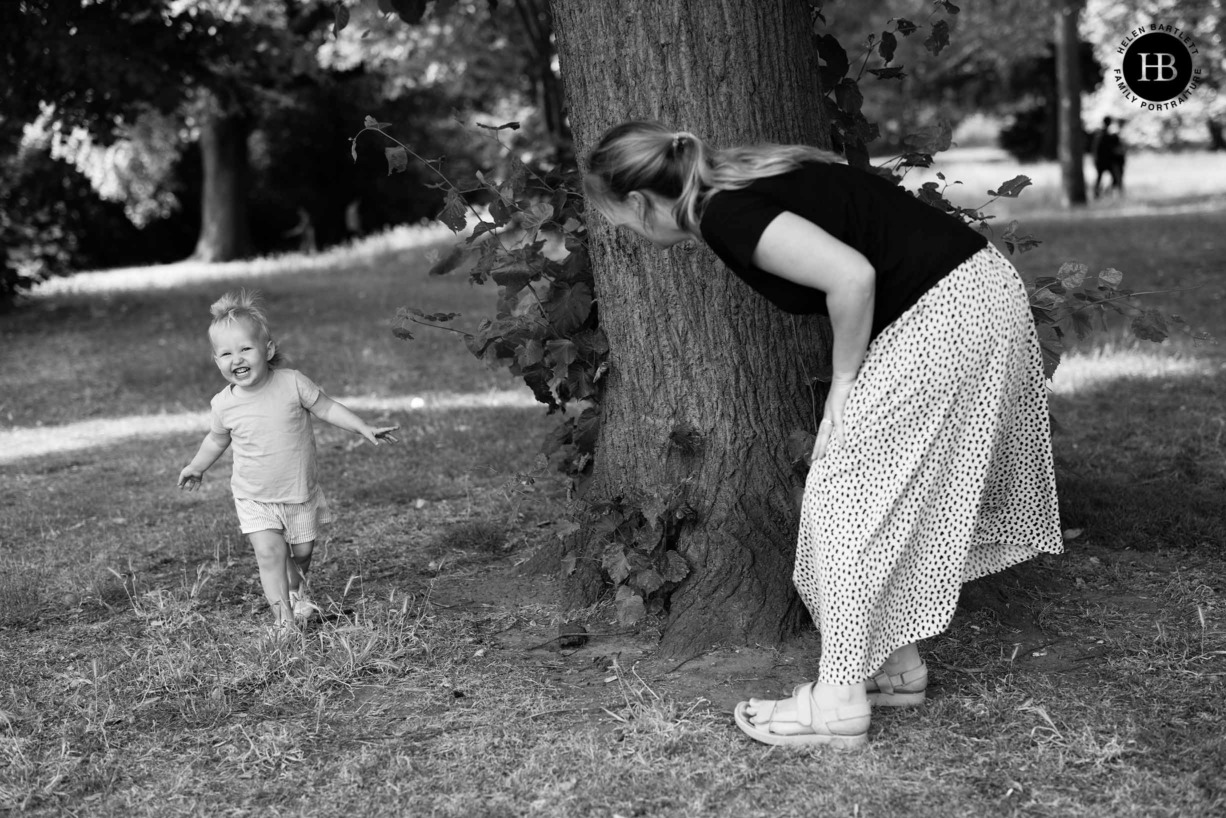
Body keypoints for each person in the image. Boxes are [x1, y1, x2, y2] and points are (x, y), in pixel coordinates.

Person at [584, 121, 1062, 749]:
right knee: (883, 497)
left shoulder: (723, 209)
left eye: (617, 217)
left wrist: (843, 382)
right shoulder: (743, 176)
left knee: (844, 501)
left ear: (643, 202)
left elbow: (852, 276)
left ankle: (837, 703)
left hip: (947, 310)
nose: (622, 231)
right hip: (969, 296)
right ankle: (895, 667)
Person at [177, 289, 399, 634]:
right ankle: (283, 622)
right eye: (225, 353)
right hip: (254, 496)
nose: (236, 359)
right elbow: (216, 439)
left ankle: (296, 588)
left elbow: (326, 407)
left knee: (302, 552)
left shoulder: (292, 383)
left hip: (297, 493)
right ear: (216, 361)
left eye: (246, 349)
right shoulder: (223, 404)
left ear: (267, 350)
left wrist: (362, 428)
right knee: (269, 555)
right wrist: (197, 466)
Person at [1092, 116, 1126, 199]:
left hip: (1104, 161)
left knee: (1105, 177)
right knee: (1112, 177)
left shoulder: (1101, 134)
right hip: (1105, 161)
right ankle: (1101, 192)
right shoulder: (1106, 135)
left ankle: (1102, 192)